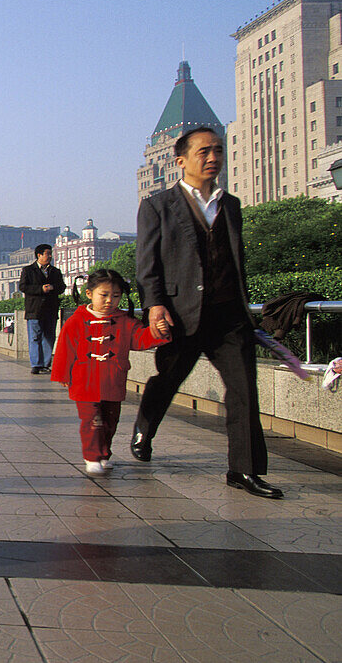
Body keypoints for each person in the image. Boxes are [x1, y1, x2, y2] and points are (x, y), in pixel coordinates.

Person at [132, 126, 281, 499]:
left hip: (229, 316)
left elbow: (234, 258)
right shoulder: (157, 206)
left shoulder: (230, 205)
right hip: (182, 315)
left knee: (245, 391)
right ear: (181, 161)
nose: (213, 157)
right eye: (204, 152)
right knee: (168, 379)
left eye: (217, 150)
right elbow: (147, 262)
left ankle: (243, 471)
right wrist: (154, 305)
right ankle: (144, 428)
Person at [50, 270, 167, 476]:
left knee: (110, 421)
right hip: (84, 381)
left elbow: (140, 339)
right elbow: (64, 349)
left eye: (115, 296)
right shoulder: (76, 321)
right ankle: (92, 456)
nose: (109, 301)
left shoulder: (126, 321)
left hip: (113, 379)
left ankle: (104, 454)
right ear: (89, 294)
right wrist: (62, 374)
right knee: (92, 420)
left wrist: (159, 331)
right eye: (103, 295)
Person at [20, 244, 65, 374]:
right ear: (39, 255)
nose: (50, 256)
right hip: (34, 310)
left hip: (50, 309)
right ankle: (36, 364)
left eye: (50, 254)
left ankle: (45, 364)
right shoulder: (28, 270)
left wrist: (52, 287)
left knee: (49, 337)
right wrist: (40, 289)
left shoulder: (55, 272)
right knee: (34, 337)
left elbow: (62, 287)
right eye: (47, 254)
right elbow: (23, 287)